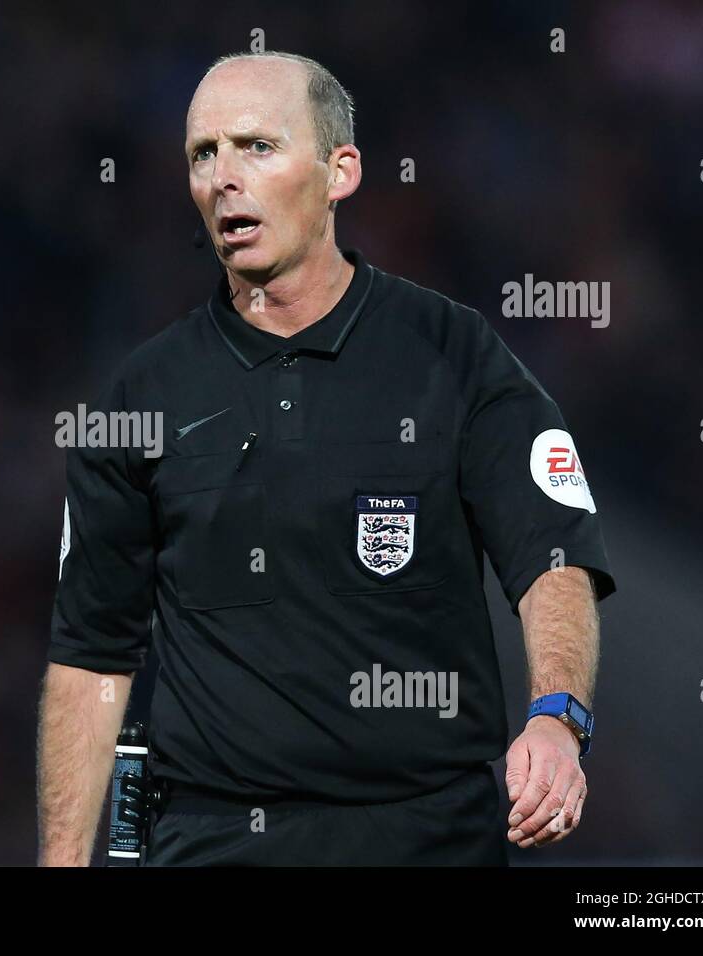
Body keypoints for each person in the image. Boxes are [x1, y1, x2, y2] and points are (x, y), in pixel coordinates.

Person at [36, 50, 615, 866]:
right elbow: (91, 654)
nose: (222, 178)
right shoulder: (140, 398)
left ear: (340, 170)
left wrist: (558, 717)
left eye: (256, 146)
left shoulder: (455, 354)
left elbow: (552, 555)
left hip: (428, 839)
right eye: (203, 154)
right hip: (215, 841)